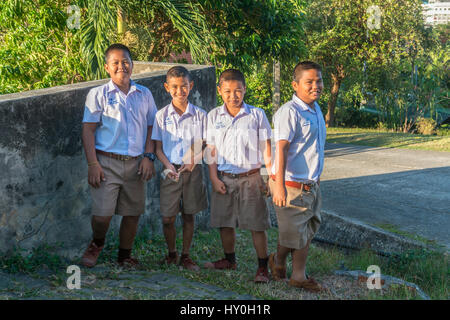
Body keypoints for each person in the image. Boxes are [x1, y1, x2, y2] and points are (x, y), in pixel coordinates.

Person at [80, 43, 157, 268]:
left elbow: (152, 127)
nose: (121, 66)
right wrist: (92, 163)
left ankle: (124, 255)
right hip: (106, 163)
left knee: (133, 213)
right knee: (103, 215)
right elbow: (88, 129)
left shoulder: (144, 94)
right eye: (116, 63)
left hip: (136, 163)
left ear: (133, 65)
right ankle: (97, 243)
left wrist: (148, 156)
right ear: (107, 67)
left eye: (126, 62)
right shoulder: (98, 94)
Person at [204, 68, 272, 283]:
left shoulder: (256, 115)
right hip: (224, 177)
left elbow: (266, 148)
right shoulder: (213, 116)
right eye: (227, 91)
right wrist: (214, 178)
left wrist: (271, 176)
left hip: (251, 178)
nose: (233, 96)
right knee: (225, 221)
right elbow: (211, 150)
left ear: (244, 90)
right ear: (219, 91)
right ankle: (229, 260)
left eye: (238, 91)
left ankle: (262, 267)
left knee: (256, 224)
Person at [268, 61, 326, 292]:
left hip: (310, 185)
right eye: (309, 82)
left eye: (319, 80)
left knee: (302, 231)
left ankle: (278, 261)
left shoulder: (315, 109)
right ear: (295, 84)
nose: (316, 86)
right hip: (291, 184)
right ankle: (298, 276)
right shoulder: (289, 112)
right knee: (297, 233)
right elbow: (281, 150)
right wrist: (279, 186)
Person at [151, 66, 208, 271]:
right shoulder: (161, 116)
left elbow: (207, 145)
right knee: (168, 217)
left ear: (190, 86)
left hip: (193, 171)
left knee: (189, 214)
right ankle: (171, 253)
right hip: (170, 171)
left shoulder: (200, 115)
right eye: (174, 87)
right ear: (167, 87)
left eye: (184, 86)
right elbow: (157, 148)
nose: (179, 91)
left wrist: (194, 160)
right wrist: (167, 166)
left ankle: (185, 255)